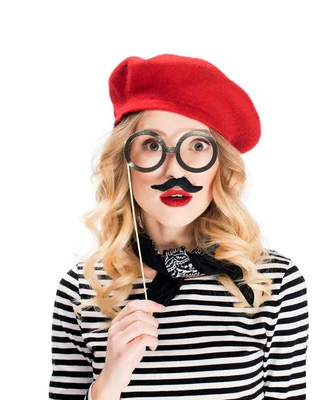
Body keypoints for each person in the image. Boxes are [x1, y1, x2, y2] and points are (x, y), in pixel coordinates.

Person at [48, 53, 309, 400]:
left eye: (198, 146)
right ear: (125, 163)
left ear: (221, 166)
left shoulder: (271, 282)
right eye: (152, 145)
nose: (174, 171)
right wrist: (108, 383)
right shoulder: (82, 290)